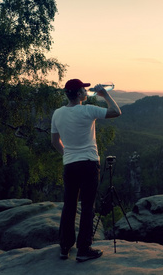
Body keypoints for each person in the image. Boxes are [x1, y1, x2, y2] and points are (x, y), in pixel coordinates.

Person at [51, 78, 121, 262]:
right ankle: (83, 249)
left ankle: (65, 247)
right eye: (83, 89)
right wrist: (105, 94)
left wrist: (68, 154)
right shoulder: (87, 110)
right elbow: (116, 111)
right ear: (79, 94)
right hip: (89, 163)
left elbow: (54, 141)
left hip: (70, 164)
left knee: (69, 205)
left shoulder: (57, 113)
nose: (85, 91)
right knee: (88, 206)